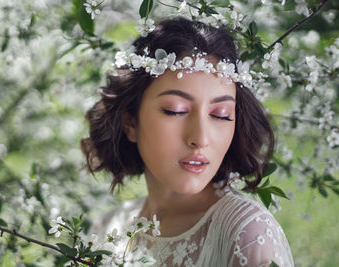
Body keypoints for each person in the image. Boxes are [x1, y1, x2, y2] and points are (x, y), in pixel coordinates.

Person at [81, 17, 294, 267]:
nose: (200, 139)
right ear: (131, 124)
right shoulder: (110, 227)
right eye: (175, 111)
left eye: (220, 115)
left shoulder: (246, 232)